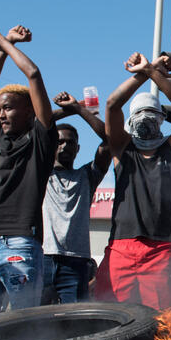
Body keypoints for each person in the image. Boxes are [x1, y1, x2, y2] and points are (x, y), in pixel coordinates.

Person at [0, 25, 57, 318]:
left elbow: (33, 74)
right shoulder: (0, 138)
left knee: (23, 325)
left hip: (20, 242)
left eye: (8, 108)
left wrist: (6, 44)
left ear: (30, 111)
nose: (1, 114)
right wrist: (2, 48)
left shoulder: (41, 139)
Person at [95, 52, 171, 309]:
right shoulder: (121, 148)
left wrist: (153, 72)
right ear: (130, 121)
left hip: (163, 248)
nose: (146, 119)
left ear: (161, 118)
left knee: (164, 324)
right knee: (113, 317)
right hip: (121, 247)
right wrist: (144, 72)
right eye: (140, 113)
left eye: (152, 113)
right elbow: (113, 104)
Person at [41, 91, 110, 303]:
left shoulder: (87, 175)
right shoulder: (40, 174)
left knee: (73, 325)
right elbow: (34, 123)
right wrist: (66, 110)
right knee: (34, 324)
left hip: (77, 262)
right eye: (59, 142)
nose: (65, 146)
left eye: (70, 143)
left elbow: (109, 138)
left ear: (78, 148)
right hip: (42, 258)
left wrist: (80, 110)